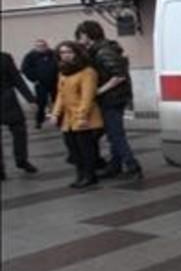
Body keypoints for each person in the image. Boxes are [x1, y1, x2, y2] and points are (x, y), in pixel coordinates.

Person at [75, 20, 141, 180]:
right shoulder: (100, 49)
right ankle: (115, 165)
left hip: (112, 98)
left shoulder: (103, 51)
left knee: (116, 134)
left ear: (87, 34)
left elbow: (118, 76)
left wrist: (98, 91)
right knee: (113, 134)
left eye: (80, 36)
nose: (79, 40)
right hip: (112, 98)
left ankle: (133, 166)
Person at [49, 41, 103, 189]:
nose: (65, 55)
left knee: (86, 148)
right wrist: (55, 113)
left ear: (77, 53)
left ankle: (90, 175)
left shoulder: (87, 71)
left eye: (69, 52)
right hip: (68, 118)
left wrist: (82, 116)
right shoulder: (63, 72)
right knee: (73, 148)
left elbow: (87, 96)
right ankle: (80, 174)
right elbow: (60, 95)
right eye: (62, 52)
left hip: (84, 117)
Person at [1, 51, 38, 180]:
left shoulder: (4, 58)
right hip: (7, 98)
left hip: (8, 100)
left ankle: (22, 160)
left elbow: (17, 79)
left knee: (20, 131)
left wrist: (30, 99)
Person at [20, 39, 58, 129]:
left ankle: (59, 119)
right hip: (40, 83)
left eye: (43, 45)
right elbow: (25, 69)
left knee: (57, 102)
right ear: (35, 47)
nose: (41, 47)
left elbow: (60, 65)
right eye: (38, 46)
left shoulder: (53, 54)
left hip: (54, 83)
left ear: (46, 46)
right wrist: (34, 79)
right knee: (41, 103)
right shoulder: (30, 56)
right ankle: (39, 121)